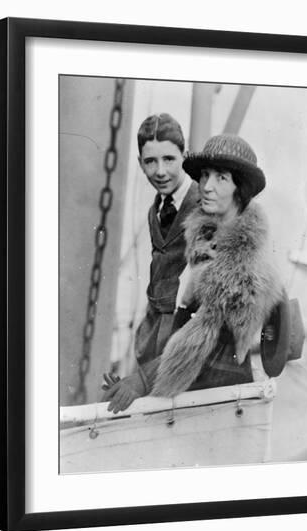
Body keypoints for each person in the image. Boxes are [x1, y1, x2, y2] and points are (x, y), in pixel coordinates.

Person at [104, 133, 285, 410]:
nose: (206, 187)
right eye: (205, 176)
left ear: (240, 189)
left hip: (223, 399)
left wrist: (141, 381)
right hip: (199, 386)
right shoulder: (207, 238)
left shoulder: (242, 266)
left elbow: (203, 344)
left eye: (221, 178)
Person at [102, 113, 199, 412]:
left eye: (169, 159)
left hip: (184, 355)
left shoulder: (203, 206)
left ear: (184, 156)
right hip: (153, 346)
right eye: (150, 161)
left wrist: (142, 380)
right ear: (140, 162)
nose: (160, 171)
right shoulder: (154, 211)